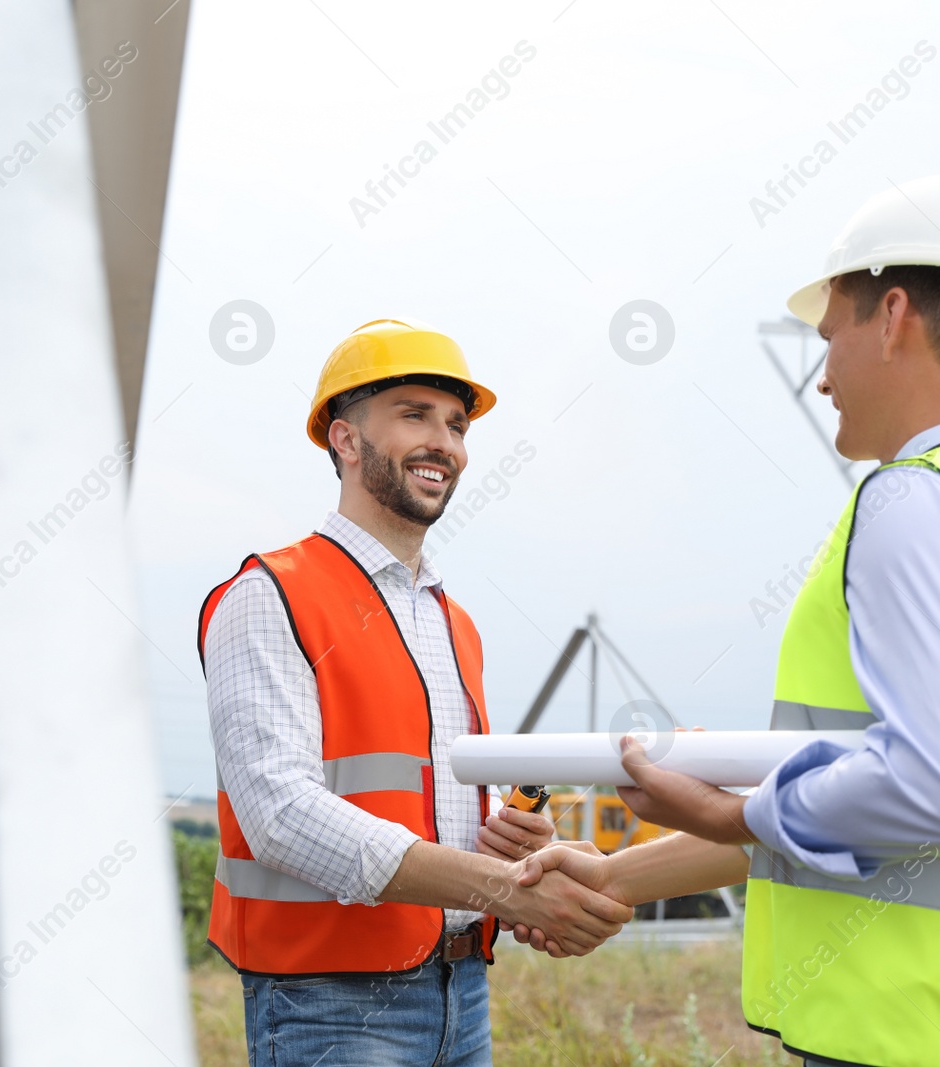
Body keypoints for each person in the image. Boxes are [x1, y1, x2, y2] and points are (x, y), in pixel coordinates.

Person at [517, 174, 940, 1066]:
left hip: (911, 1032)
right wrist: (619, 872)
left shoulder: (918, 501)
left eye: (830, 336)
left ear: (894, 315)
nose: (822, 374)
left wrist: (736, 815)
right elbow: (847, 812)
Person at [200, 319, 633, 1067]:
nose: (446, 442)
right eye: (414, 414)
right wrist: (504, 885)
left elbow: (416, 798)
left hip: (461, 991)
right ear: (343, 439)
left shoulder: (451, 620)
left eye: (457, 425)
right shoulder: (268, 594)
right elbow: (278, 813)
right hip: (327, 1003)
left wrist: (504, 834)